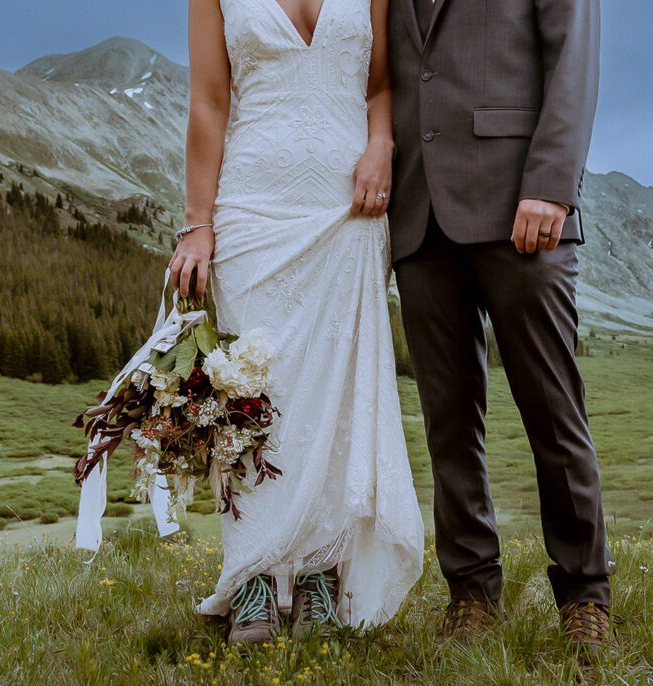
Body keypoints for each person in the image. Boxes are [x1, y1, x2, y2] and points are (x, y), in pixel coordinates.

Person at [169, 0, 423, 645]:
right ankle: (252, 577)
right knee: (255, 391)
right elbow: (208, 103)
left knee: (334, 395)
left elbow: (382, 85)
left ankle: (318, 574)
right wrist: (198, 225)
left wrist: (381, 145)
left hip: (350, 206)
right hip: (252, 207)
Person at [388, 0, 615, 650]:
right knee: (448, 424)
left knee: (553, 411)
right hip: (419, 212)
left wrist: (551, 182)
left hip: (524, 201)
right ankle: (472, 593)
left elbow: (573, 56)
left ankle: (584, 594)